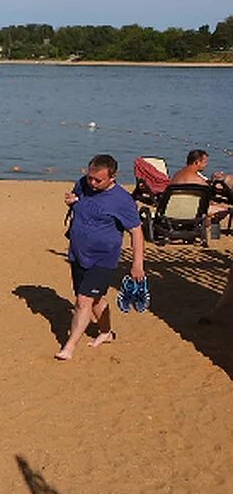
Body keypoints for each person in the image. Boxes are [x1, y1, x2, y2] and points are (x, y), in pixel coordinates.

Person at [56, 154, 145, 361]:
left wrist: (137, 264)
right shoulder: (83, 185)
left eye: (98, 180)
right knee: (94, 300)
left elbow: (136, 231)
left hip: (103, 258)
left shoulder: (122, 200)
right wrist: (71, 202)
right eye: (90, 178)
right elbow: (78, 201)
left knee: (82, 300)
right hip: (78, 254)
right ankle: (106, 333)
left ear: (112, 177)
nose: (92, 183)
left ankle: (69, 346)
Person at [169, 149, 232, 223]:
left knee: (218, 206)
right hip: (188, 212)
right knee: (224, 210)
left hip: (173, 208)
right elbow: (204, 202)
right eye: (205, 162)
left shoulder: (178, 174)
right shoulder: (198, 181)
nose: (206, 165)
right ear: (197, 162)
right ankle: (207, 230)